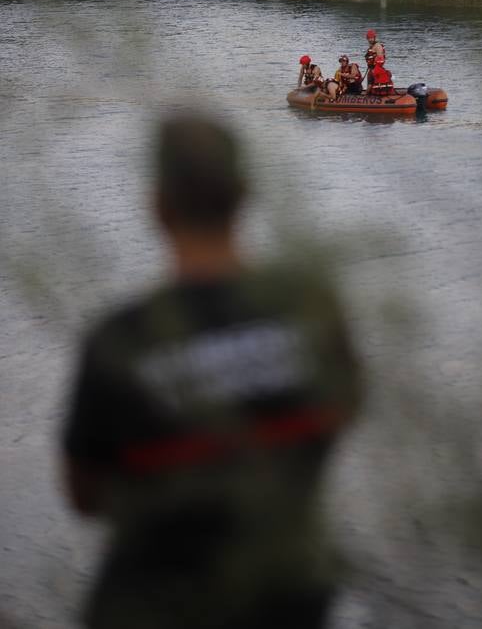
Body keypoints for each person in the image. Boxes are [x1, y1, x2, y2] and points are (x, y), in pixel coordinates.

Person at [62, 115, 362, 629]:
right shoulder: (310, 308)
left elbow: (84, 496)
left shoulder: (120, 339)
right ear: (243, 195)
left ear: (157, 205)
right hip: (289, 596)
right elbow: (343, 412)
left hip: (154, 606)